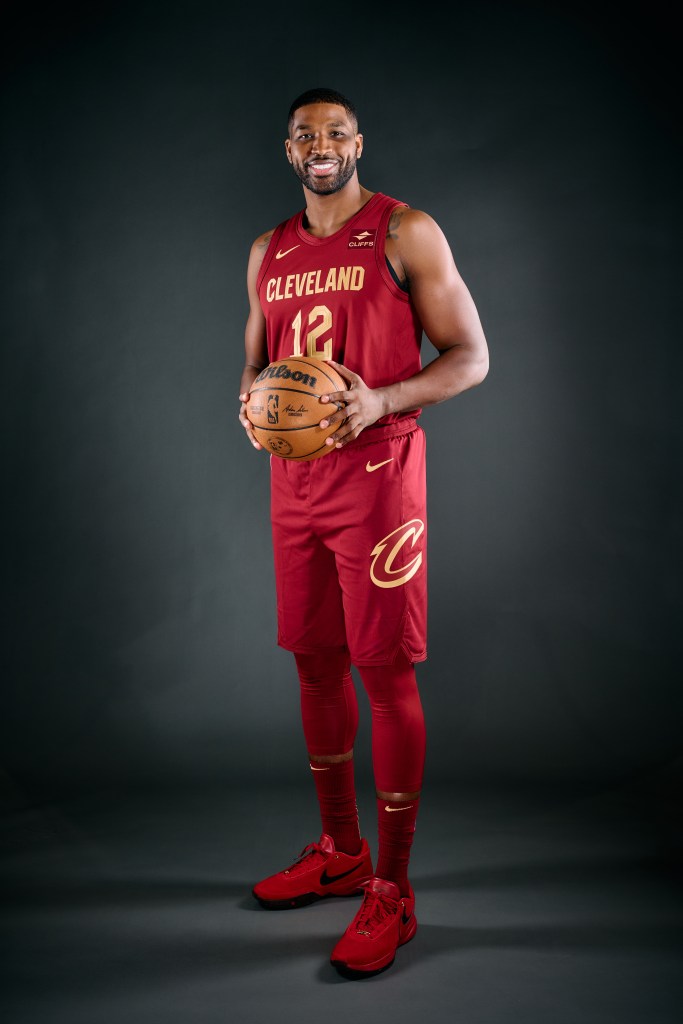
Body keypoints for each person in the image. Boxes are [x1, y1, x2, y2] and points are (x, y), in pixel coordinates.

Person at [238, 87, 488, 976]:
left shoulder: (402, 230)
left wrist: (380, 396)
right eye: (305, 134)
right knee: (312, 660)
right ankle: (339, 854)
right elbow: (257, 357)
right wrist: (252, 401)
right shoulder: (266, 250)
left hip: (380, 478)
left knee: (383, 672)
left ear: (357, 144)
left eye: (335, 132)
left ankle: (394, 889)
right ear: (287, 148)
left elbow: (471, 356)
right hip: (294, 482)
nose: (321, 145)